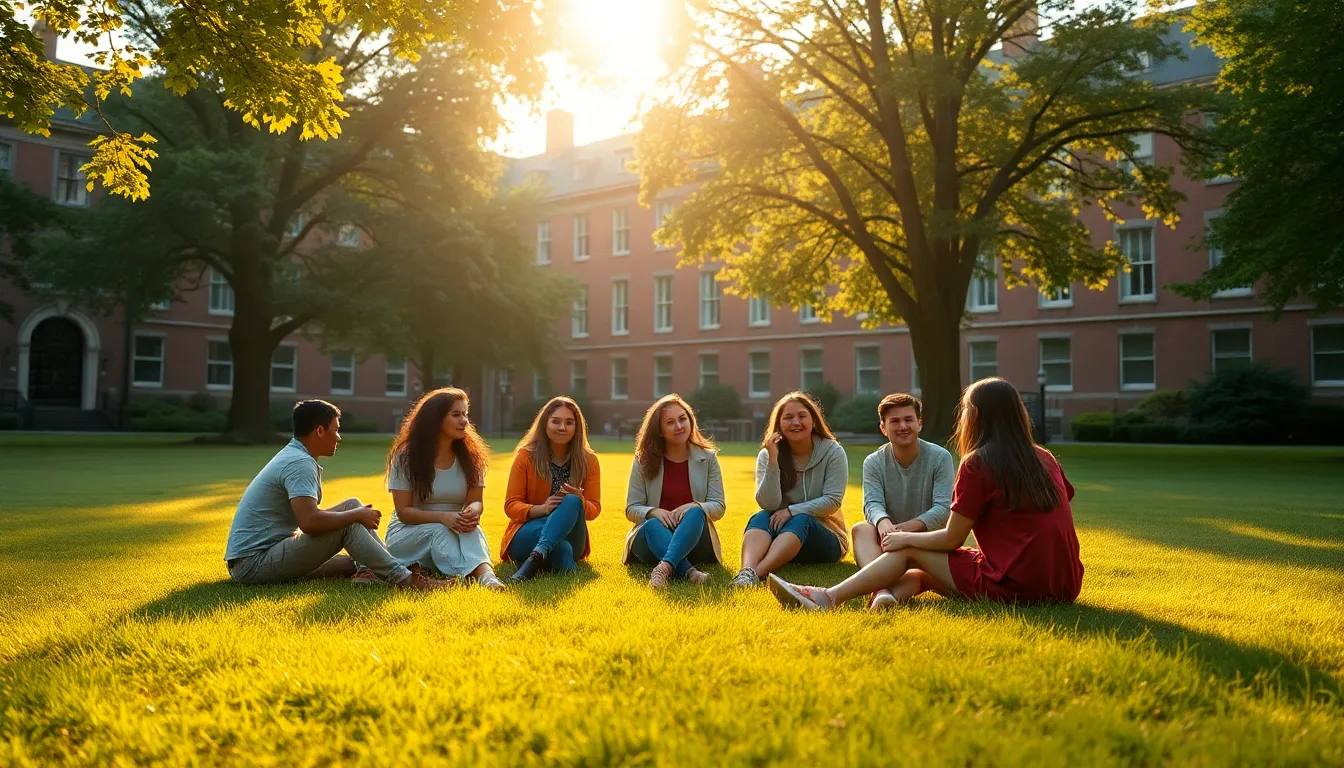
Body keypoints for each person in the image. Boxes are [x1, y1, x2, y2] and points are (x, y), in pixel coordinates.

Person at [766, 378, 1085, 611]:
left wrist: (905, 538)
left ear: (976, 415)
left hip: (1018, 585)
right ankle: (885, 595)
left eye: (966, 410)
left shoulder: (978, 463)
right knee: (923, 576)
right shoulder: (1044, 456)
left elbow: (951, 539)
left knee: (909, 554)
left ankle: (827, 598)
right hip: (1065, 585)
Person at [223, 399, 447, 590]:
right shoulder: (299, 463)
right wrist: (356, 516)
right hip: (253, 565)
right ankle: (406, 580)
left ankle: (373, 571)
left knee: (354, 516)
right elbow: (309, 522)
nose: (339, 437)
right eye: (336, 429)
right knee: (351, 519)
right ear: (320, 431)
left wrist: (355, 512)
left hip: (263, 557)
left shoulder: (294, 455)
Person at [383, 388, 506, 590]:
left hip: (454, 525)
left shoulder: (471, 457)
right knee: (442, 529)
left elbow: (476, 501)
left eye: (465, 414)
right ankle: (468, 577)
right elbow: (404, 512)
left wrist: (472, 511)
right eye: (456, 415)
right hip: (408, 533)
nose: (464, 421)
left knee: (469, 526)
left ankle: (487, 577)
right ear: (435, 419)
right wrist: (443, 517)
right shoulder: (406, 456)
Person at [731, 391, 848, 587]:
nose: (796, 422)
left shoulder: (833, 452)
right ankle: (745, 572)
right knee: (760, 516)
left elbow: (832, 501)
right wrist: (773, 461)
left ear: (813, 420)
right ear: (778, 425)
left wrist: (791, 511)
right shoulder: (768, 456)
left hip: (827, 538)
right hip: (785, 541)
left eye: (802, 416)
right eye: (788, 417)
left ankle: (756, 574)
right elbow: (768, 503)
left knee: (801, 519)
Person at [853, 393, 955, 611]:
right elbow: (872, 503)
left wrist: (904, 532)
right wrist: (883, 524)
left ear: (920, 423)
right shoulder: (873, 462)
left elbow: (942, 508)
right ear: (883, 428)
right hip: (888, 539)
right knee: (861, 529)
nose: (902, 426)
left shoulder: (940, 457)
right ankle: (880, 592)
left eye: (908, 419)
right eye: (894, 421)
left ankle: (880, 588)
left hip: (927, 539)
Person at [623, 394, 726, 588]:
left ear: (690, 420)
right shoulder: (642, 460)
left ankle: (664, 568)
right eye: (670, 422)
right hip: (651, 539)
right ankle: (689, 572)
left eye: (682, 419)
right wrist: (653, 511)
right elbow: (631, 508)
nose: (679, 426)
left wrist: (694, 506)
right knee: (652, 524)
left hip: (694, 539)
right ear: (659, 430)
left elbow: (718, 506)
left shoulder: (708, 458)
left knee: (696, 511)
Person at [503, 396, 602, 582]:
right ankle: (545, 555)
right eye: (556, 421)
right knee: (562, 549)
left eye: (569, 422)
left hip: (571, 533)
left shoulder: (589, 461)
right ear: (544, 424)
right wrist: (542, 509)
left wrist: (580, 499)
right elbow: (510, 505)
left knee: (572, 500)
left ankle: (536, 557)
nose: (562, 427)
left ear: (577, 427)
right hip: (529, 530)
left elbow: (594, 509)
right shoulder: (526, 456)